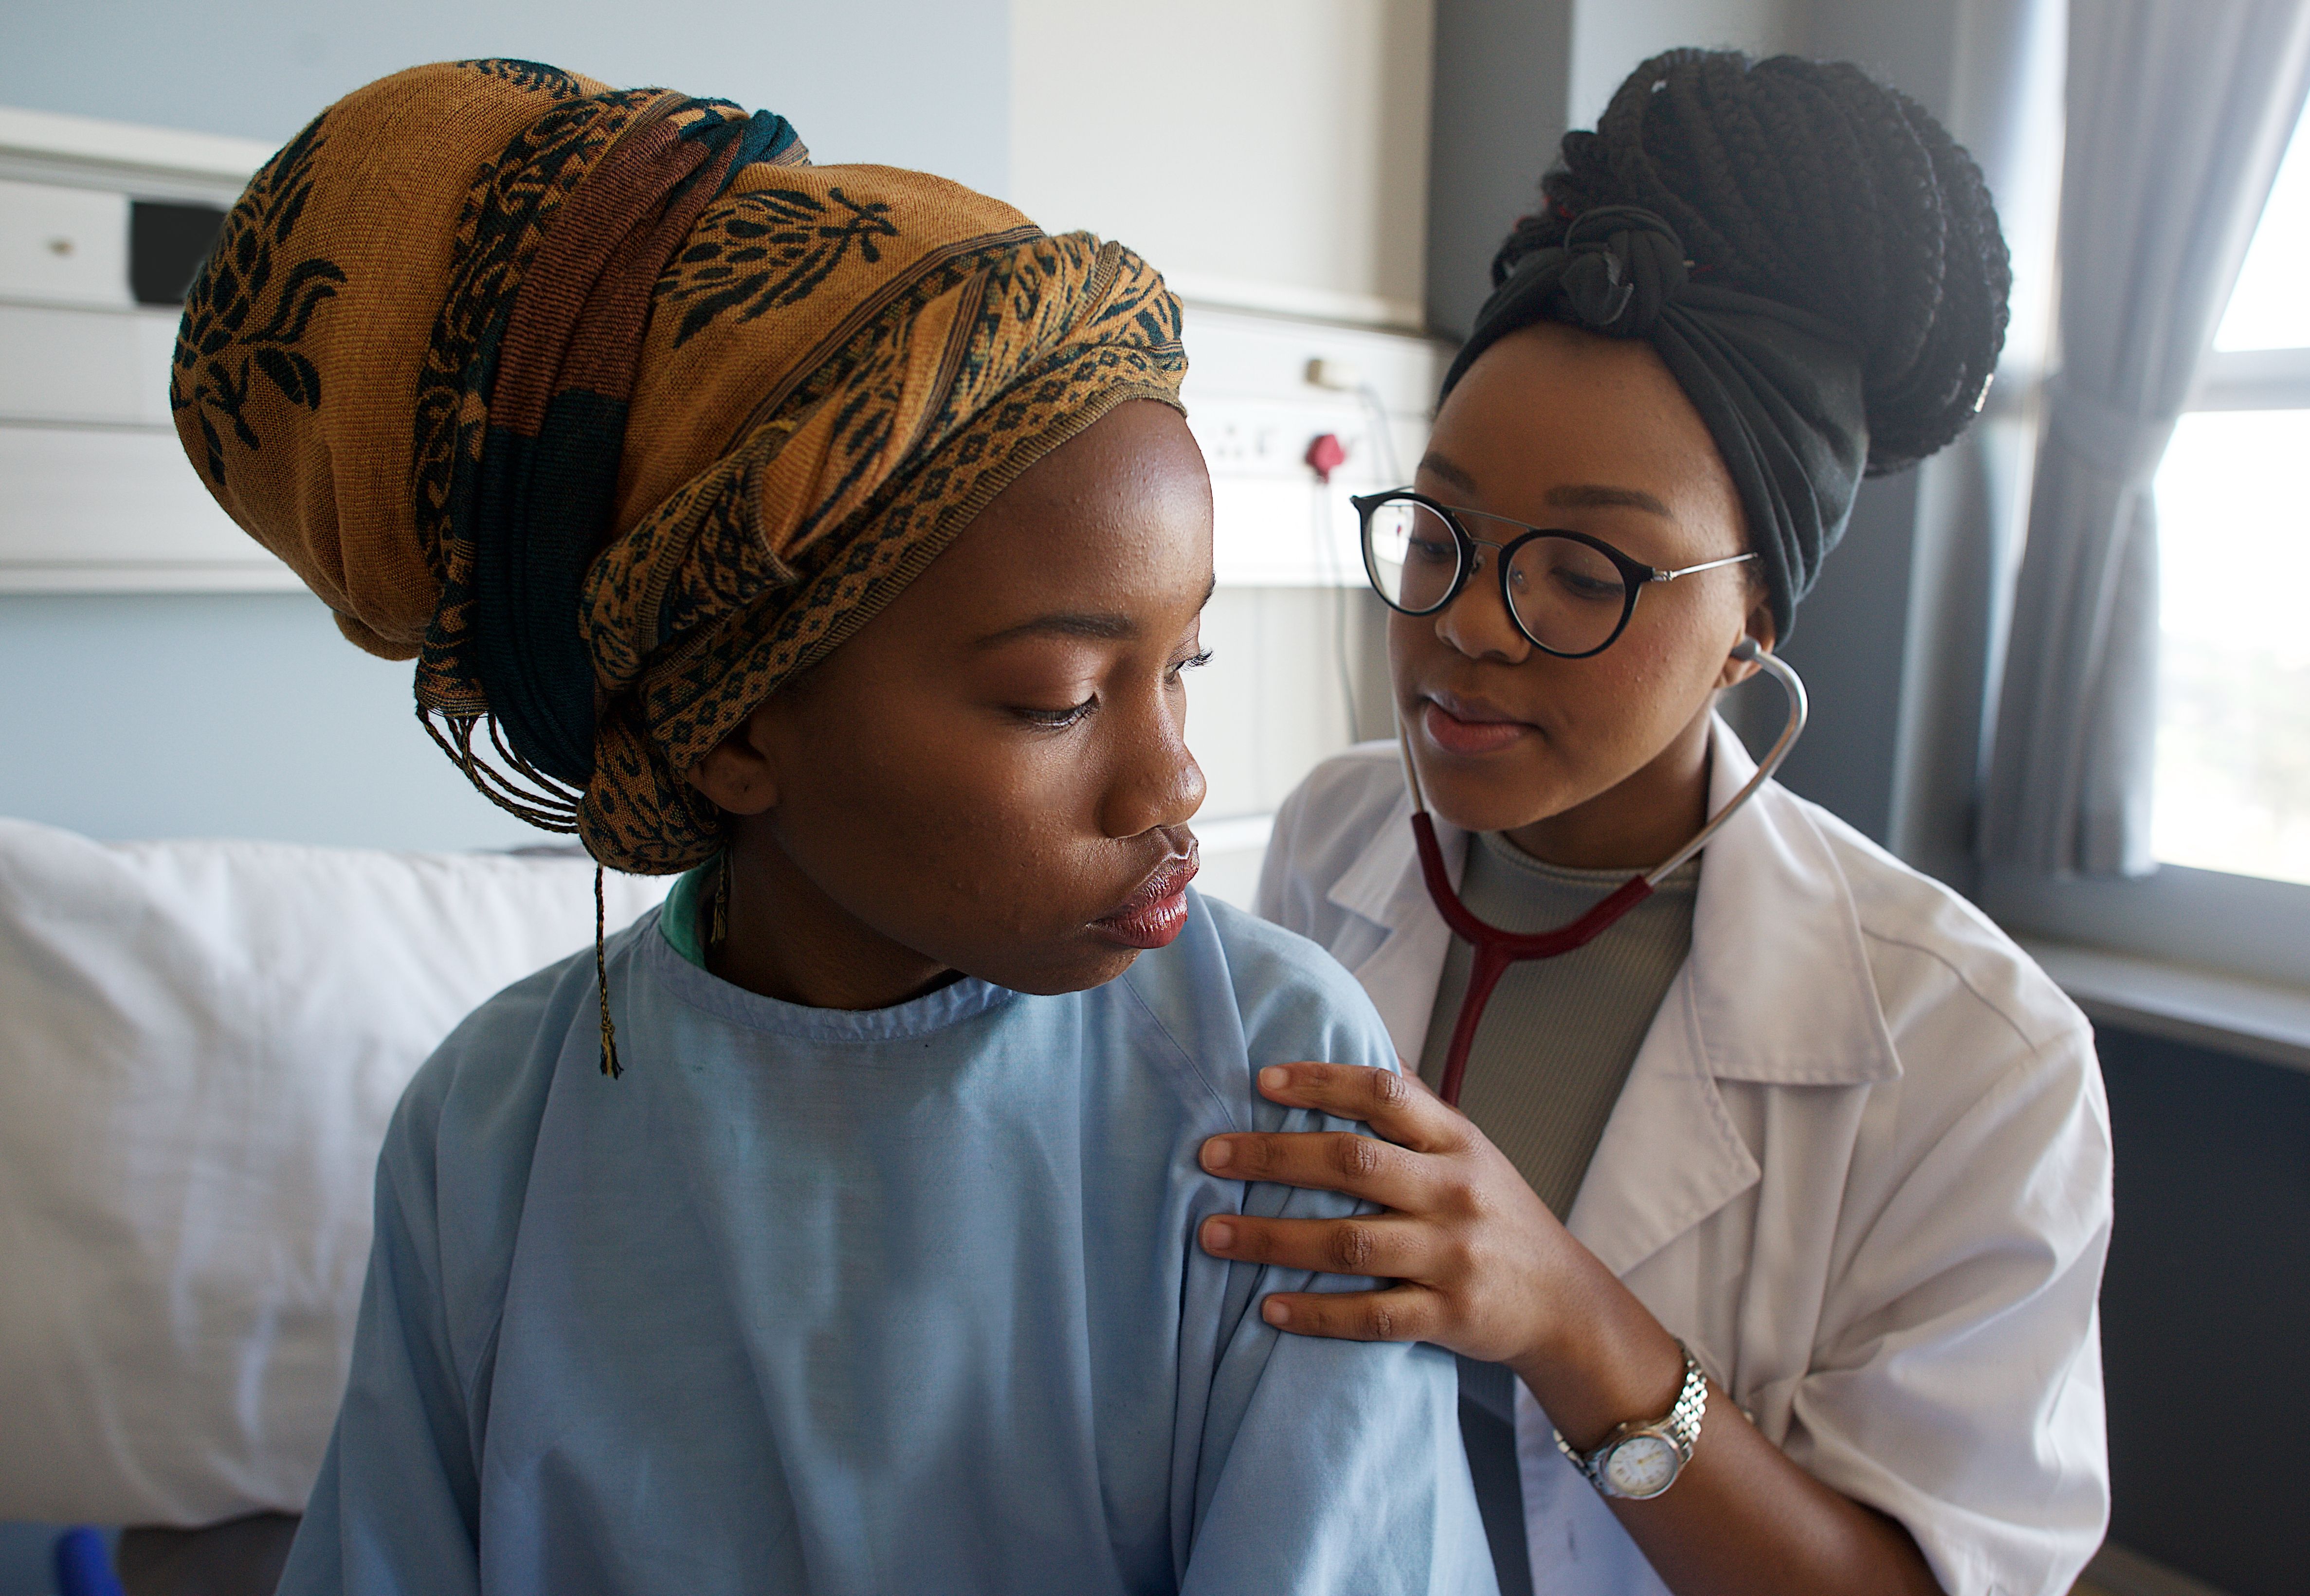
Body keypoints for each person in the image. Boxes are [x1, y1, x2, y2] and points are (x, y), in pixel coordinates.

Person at [168, 60, 1495, 1596]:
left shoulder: (1277, 1090)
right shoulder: (488, 1136)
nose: (1173, 784)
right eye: (1062, 698)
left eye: (1181, 667)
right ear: (733, 726)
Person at [1203, 49, 2112, 1596]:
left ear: (1754, 614)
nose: (1471, 623)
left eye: (1583, 571)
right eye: (1444, 530)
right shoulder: (1340, 836)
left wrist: (1574, 1321)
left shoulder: (1974, 1051)